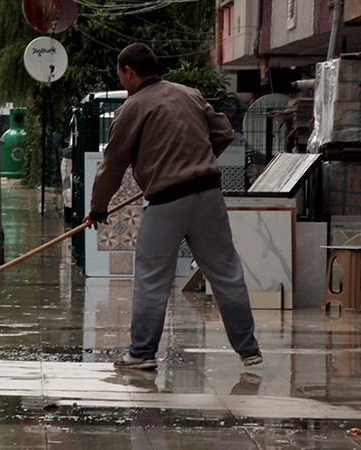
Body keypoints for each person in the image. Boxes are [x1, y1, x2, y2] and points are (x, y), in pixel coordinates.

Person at [87, 43, 261, 370]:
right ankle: (249, 348)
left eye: (121, 74)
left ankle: (141, 353)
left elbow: (112, 164)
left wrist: (98, 208)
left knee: (152, 276)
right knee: (225, 271)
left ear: (128, 71)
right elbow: (223, 132)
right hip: (208, 193)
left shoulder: (132, 108)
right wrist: (199, 159)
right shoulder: (189, 94)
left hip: (167, 200)